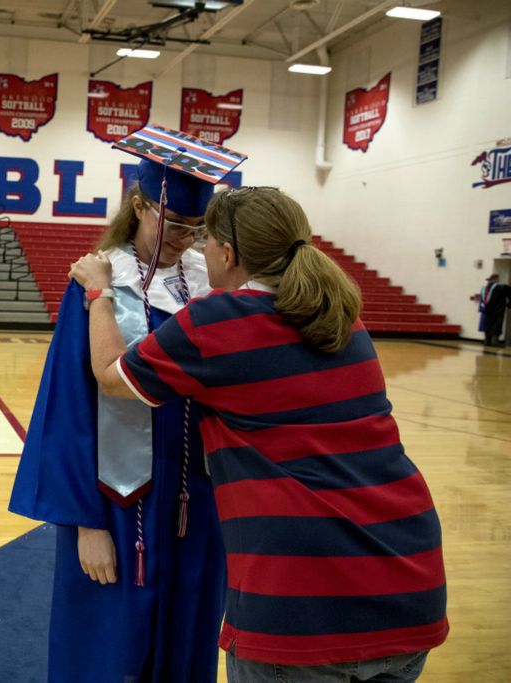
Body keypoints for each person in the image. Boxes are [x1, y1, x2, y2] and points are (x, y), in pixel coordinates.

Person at [70, 187, 448, 682]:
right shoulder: (342, 320)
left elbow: (111, 376)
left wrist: (100, 291)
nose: (199, 248)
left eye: (207, 239)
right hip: (410, 581)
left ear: (227, 254)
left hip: (301, 601)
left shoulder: (217, 324)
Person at [9, 158, 226, 682]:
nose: (184, 239)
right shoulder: (98, 281)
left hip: (199, 501)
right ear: (139, 206)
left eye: (196, 230)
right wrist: (84, 524)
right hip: (119, 503)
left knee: (190, 629)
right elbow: (68, 407)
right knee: (110, 646)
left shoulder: (210, 284)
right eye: (174, 225)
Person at [477, 274, 510, 347]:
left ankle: (487, 340)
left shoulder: (484, 289)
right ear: (497, 279)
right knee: (496, 324)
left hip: (487, 310)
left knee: (487, 324)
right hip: (498, 310)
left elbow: (482, 301)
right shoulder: (501, 288)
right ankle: (494, 341)